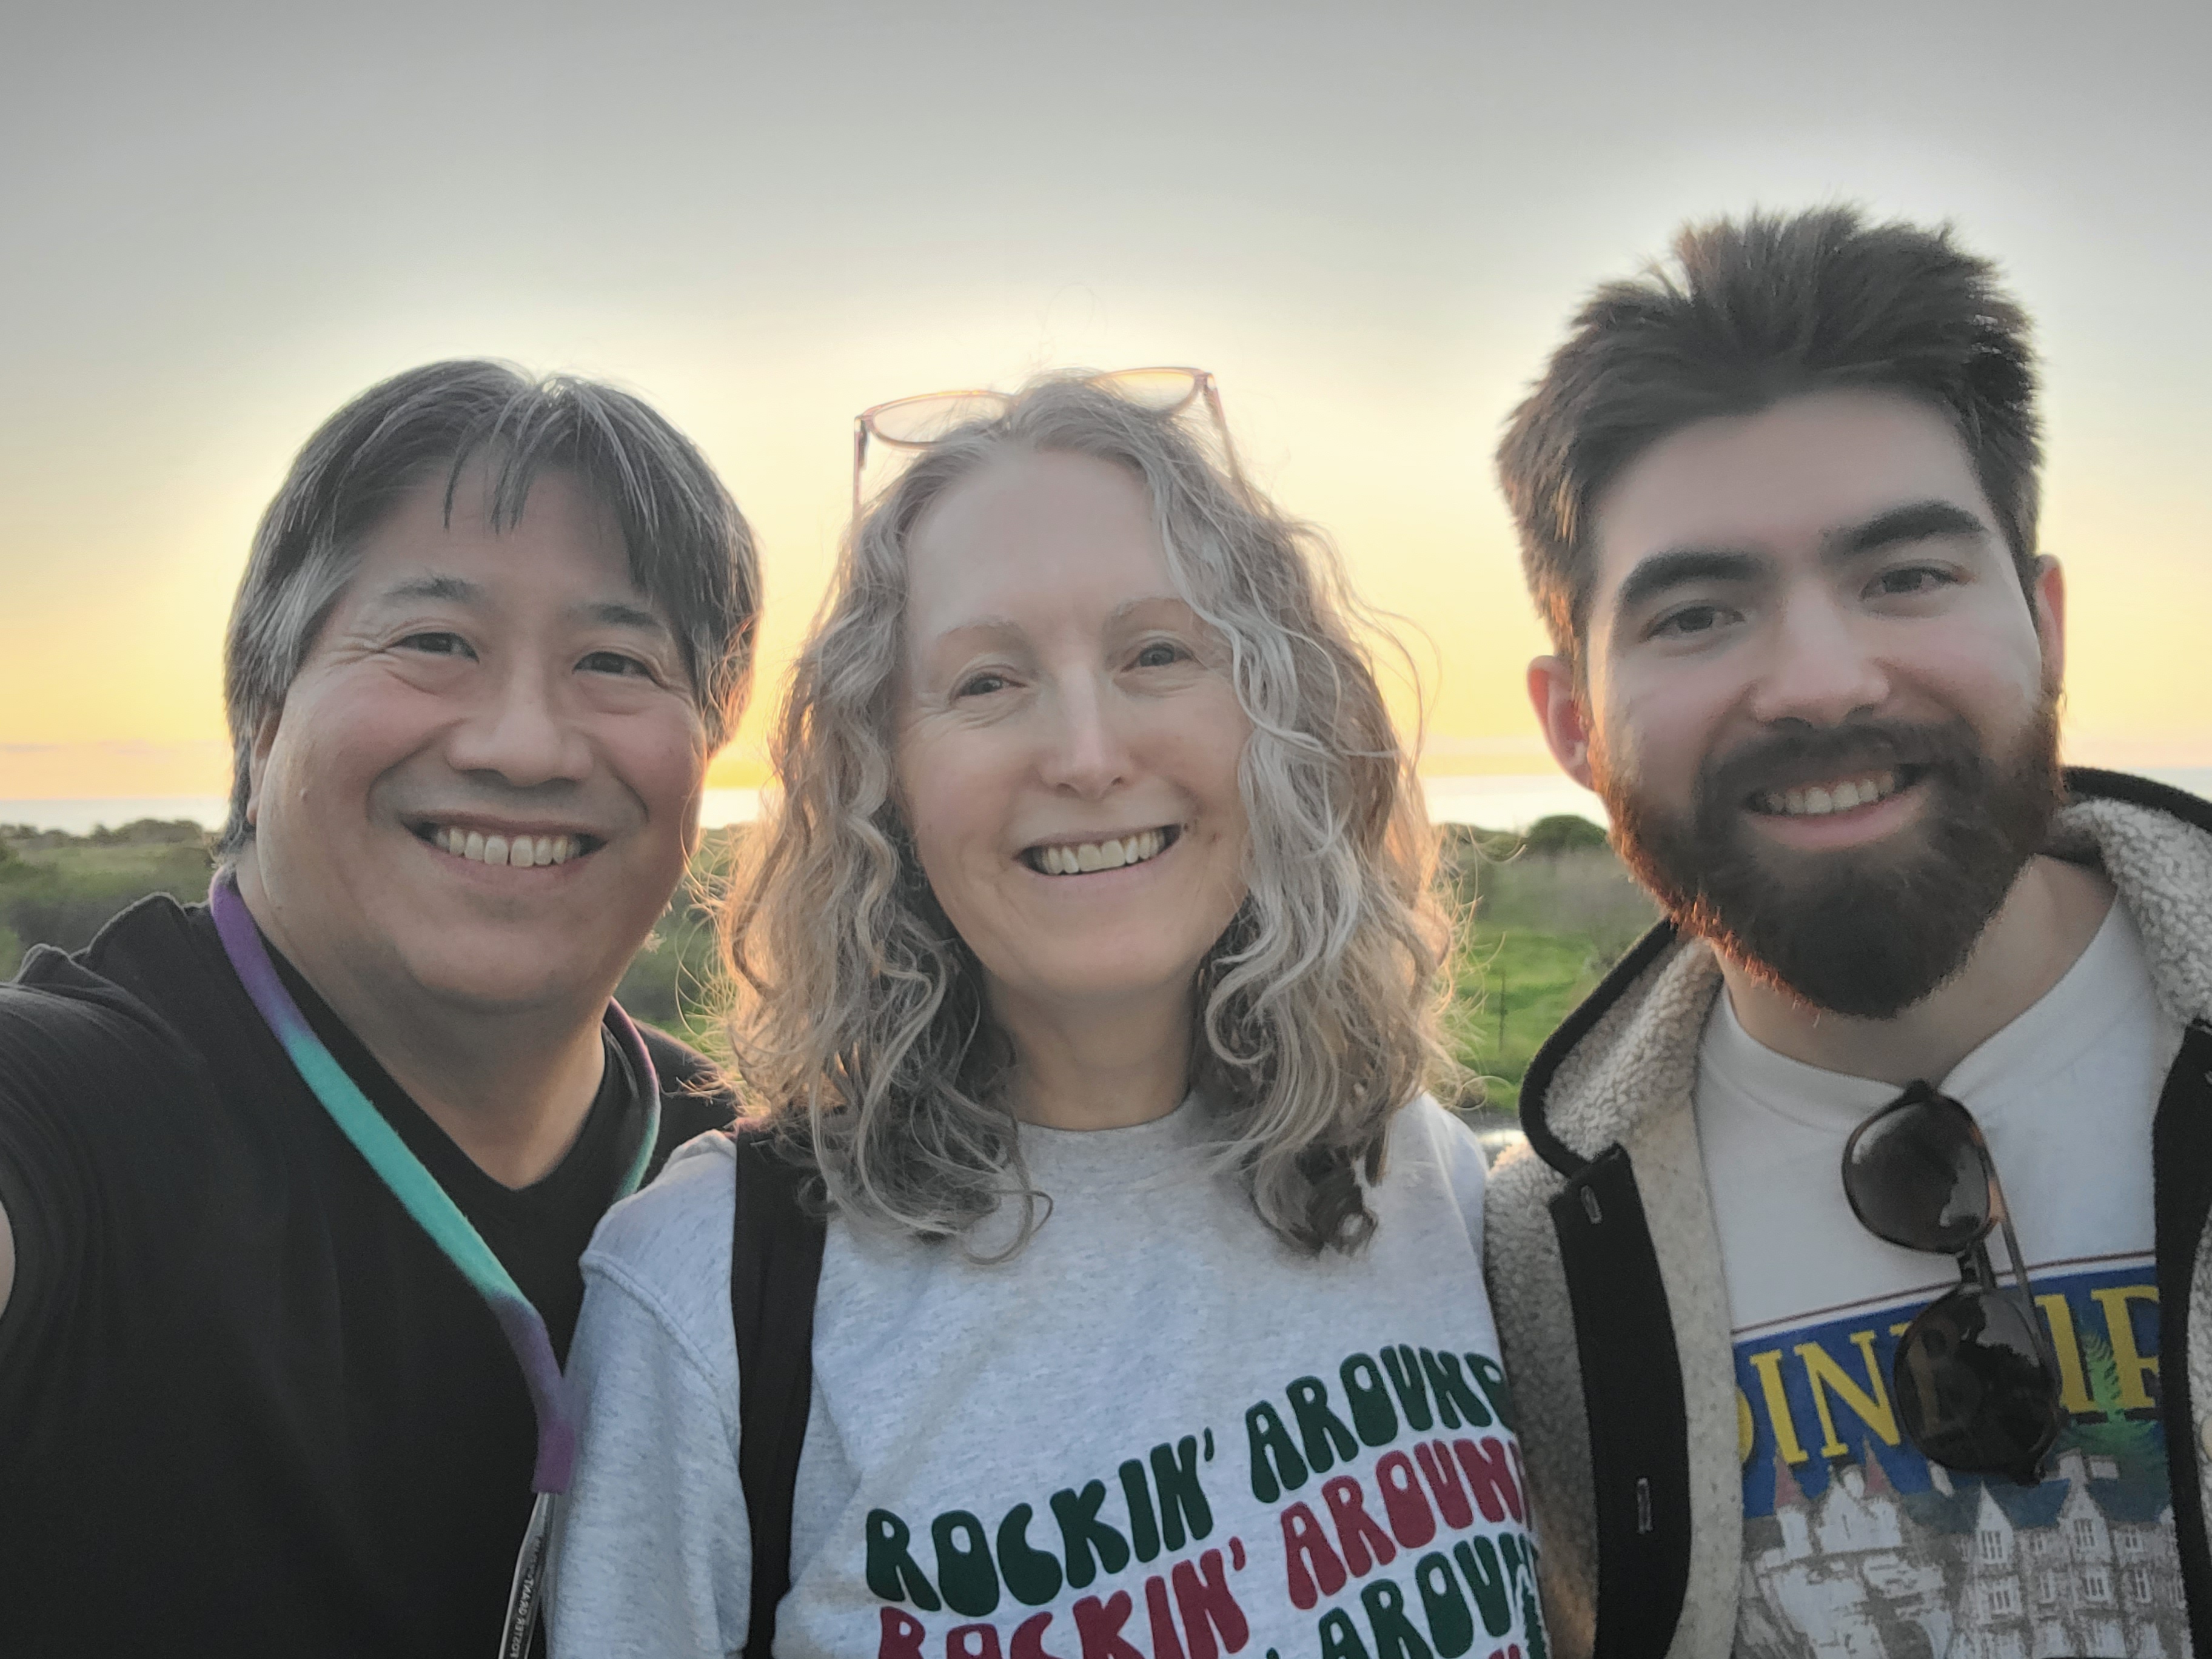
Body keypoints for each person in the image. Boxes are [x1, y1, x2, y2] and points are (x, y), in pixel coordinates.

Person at [548, 372, 1551, 1658]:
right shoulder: (705, 1295)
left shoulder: (1426, 1179)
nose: (1085, 754)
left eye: (1157, 655)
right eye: (986, 682)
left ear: (1277, 717)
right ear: (882, 777)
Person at [1482, 206, 2212, 1658]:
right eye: (1698, 613)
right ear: (1571, 722)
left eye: (1907, 576)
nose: (1821, 681)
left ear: (2047, 625)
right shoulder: (1542, 1258)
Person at [0, 360, 762, 1657]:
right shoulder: (76, 1111)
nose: (523, 744)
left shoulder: (750, 1193)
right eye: (434, 643)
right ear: (261, 710)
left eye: (616, 660)